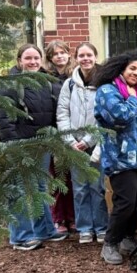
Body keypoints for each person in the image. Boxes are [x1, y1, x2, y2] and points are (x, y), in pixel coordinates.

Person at [0, 44, 68, 250]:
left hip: (42, 143)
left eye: (36, 58)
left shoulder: (47, 82)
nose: (33, 62)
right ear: (19, 61)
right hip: (19, 143)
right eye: (28, 58)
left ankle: (44, 230)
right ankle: (20, 236)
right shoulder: (10, 84)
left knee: (40, 187)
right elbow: (3, 116)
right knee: (18, 189)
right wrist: (11, 142)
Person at [94, 49, 137, 265]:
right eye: (132, 68)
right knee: (125, 202)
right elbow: (120, 118)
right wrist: (132, 100)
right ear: (122, 67)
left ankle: (127, 238)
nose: (136, 73)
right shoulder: (107, 91)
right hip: (119, 159)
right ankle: (110, 243)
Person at [56, 42, 108, 244]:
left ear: (95, 56)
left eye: (89, 55)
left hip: (95, 144)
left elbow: (103, 115)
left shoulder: (104, 83)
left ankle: (101, 227)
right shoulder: (69, 84)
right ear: (76, 58)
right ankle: (85, 228)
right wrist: (70, 140)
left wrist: (88, 141)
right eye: (82, 55)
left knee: (98, 187)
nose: (86, 59)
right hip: (74, 145)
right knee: (79, 189)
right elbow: (62, 113)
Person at [44, 40, 75, 234]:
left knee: (72, 177)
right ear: (50, 58)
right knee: (56, 177)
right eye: (55, 54)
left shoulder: (76, 76)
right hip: (54, 132)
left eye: (62, 52)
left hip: (73, 131)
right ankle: (58, 217)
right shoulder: (46, 78)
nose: (59, 57)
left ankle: (72, 217)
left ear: (68, 54)